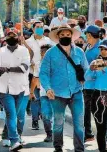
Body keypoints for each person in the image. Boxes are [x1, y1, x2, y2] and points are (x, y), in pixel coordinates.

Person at [39, 24, 88, 152]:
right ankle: (58, 147)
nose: (65, 37)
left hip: (76, 92)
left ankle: (79, 149)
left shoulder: (79, 52)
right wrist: (48, 88)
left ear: (71, 36)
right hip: (57, 94)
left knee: (79, 124)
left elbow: (86, 69)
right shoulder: (50, 53)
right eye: (62, 35)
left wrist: (87, 77)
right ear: (58, 36)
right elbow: (43, 72)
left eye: (68, 35)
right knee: (58, 123)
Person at [0, 28, 30, 151]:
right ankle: (14, 140)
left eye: (14, 35)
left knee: (16, 115)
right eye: (9, 35)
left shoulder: (24, 51)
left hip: (20, 88)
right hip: (4, 88)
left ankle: (7, 135)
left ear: (18, 37)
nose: (11, 36)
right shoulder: (0, 51)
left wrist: (8, 69)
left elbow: (24, 67)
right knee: (11, 114)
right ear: (5, 38)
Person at [85, 39, 107, 152]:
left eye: (106, 49)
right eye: (101, 49)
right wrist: (91, 69)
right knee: (101, 128)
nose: (103, 51)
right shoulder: (95, 62)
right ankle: (102, 150)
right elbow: (87, 78)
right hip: (98, 97)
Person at [25, 21, 53, 130]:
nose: (40, 29)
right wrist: (29, 64)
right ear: (33, 29)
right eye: (37, 27)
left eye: (41, 27)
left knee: (44, 96)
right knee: (35, 97)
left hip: (46, 73)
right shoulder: (27, 42)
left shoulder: (48, 41)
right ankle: (35, 120)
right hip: (32, 73)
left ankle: (45, 117)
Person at [83, 25, 102, 142]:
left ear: (89, 35)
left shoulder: (99, 49)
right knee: (87, 111)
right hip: (87, 85)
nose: (86, 37)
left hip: (95, 86)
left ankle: (102, 137)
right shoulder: (90, 47)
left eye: (87, 35)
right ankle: (88, 134)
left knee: (98, 112)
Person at [36, 44, 54, 142]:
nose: (43, 55)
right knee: (46, 115)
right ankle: (49, 134)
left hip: (57, 94)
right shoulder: (39, 64)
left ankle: (58, 134)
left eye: (45, 53)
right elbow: (36, 78)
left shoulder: (57, 64)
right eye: (41, 53)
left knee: (58, 115)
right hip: (44, 94)